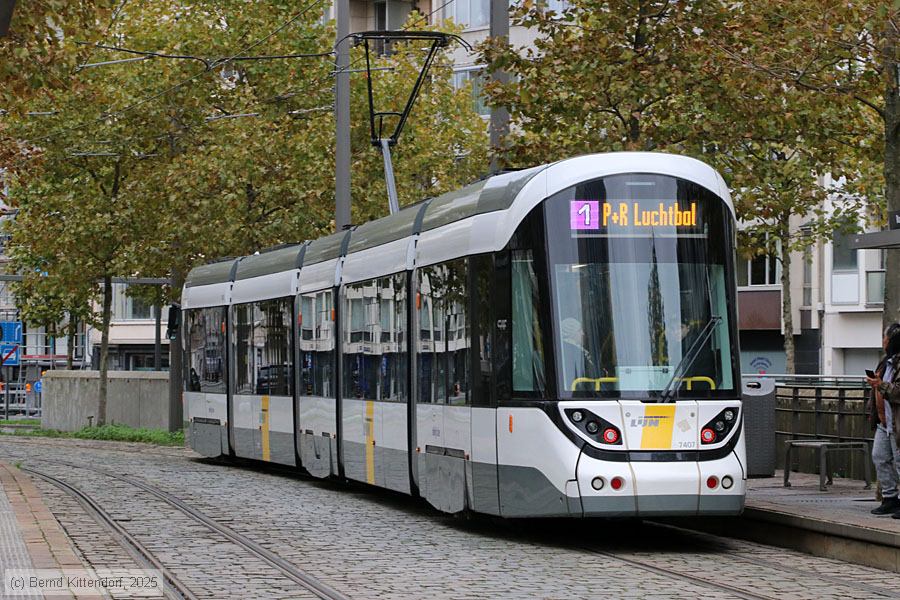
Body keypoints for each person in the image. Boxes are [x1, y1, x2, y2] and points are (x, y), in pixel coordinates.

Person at [866, 323, 900, 515]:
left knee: (899, 461)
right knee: (879, 457)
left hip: (897, 422)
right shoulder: (885, 362)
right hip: (883, 421)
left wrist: (881, 385)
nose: (883, 341)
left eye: (885, 338)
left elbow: (897, 392)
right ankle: (890, 498)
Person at [560, 317, 599, 389]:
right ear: (571, 333)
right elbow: (592, 374)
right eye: (579, 330)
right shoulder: (574, 352)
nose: (583, 333)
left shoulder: (564, 349)